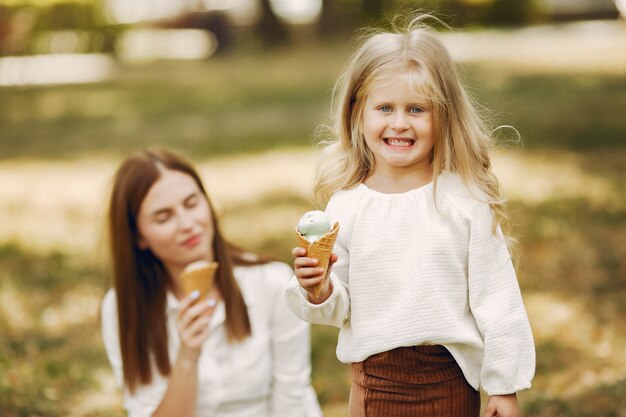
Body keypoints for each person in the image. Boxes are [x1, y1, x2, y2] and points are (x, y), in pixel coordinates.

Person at [285, 15, 535, 417]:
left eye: (416, 109)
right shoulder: (346, 206)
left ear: (444, 116)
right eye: (384, 107)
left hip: (448, 381)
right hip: (374, 386)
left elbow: (498, 299)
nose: (399, 123)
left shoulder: (463, 200)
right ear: (357, 113)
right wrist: (319, 288)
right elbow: (340, 307)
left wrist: (504, 387)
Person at [101, 148, 322, 417]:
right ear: (139, 237)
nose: (187, 223)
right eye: (163, 217)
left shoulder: (272, 282)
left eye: (192, 203)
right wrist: (187, 356)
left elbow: (292, 398)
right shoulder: (123, 308)